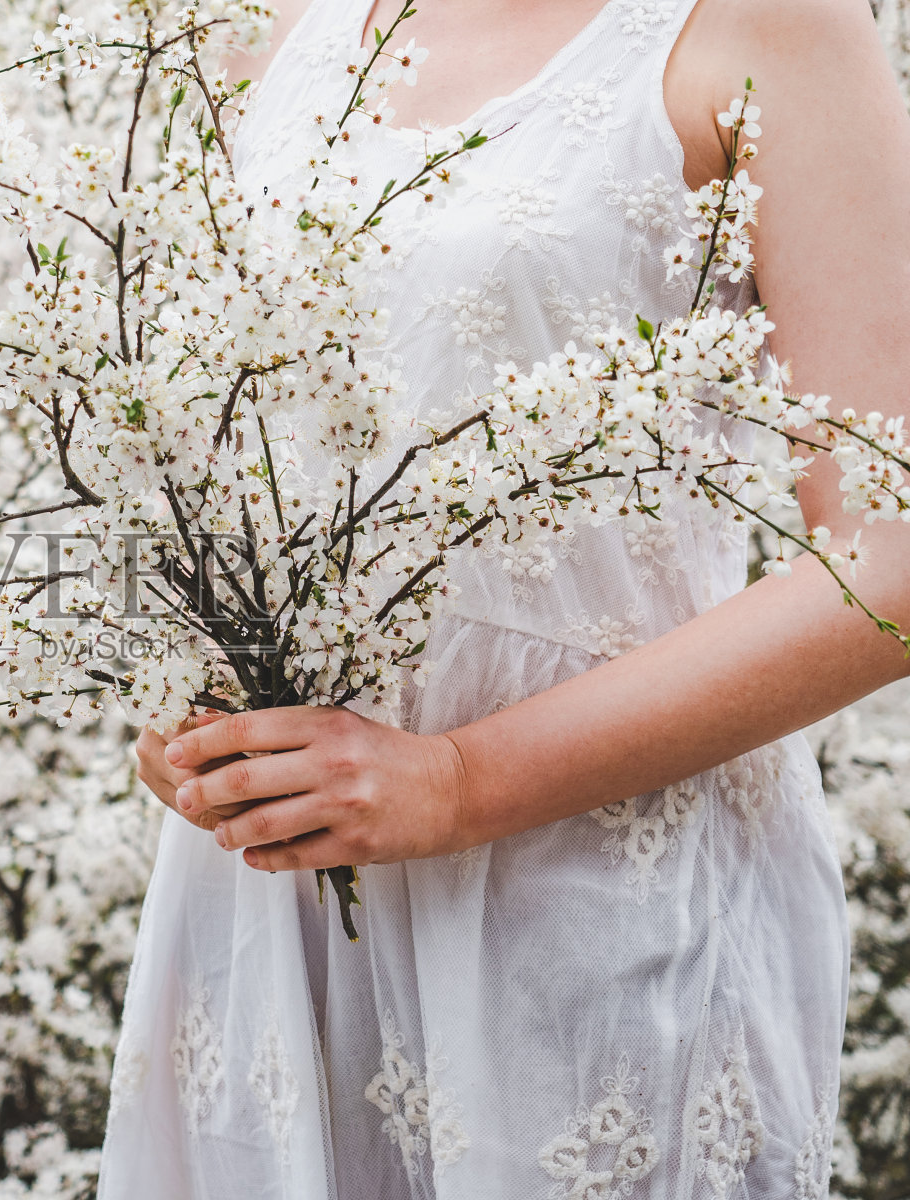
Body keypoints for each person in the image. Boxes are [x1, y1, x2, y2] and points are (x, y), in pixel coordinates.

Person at [95, 0, 910, 1196]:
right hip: (273, 906)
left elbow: (888, 561)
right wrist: (189, 715)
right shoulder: (250, 25)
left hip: (591, 912)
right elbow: (193, 441)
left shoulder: (767, 24)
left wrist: (459, 784)